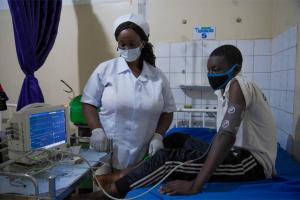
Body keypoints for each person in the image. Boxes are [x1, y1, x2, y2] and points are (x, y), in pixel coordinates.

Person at [94, 44, 277, 198]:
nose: (211, 74)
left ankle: (113, 191)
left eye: (216, 69)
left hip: (251, 164)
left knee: (167, 160)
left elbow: (227, 134)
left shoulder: (238, 84)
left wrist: (194, 185)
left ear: (235, 69)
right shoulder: (225, 91)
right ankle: (122, 173)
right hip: (235, 153)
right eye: (209, 70)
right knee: (176, 139)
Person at [81, 13, 176, 170]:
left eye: (132, 44)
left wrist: (158, 136)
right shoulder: (105, 70)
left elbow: (168, 111)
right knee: (104, 190)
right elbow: (88, 102)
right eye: (122, 44)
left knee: (135, 190)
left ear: (143, 43)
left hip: (144, 154)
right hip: (106, 151)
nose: (126, 48)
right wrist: (96, 130)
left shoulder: (157, 77)